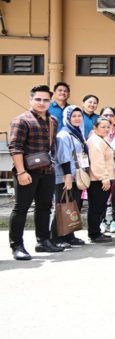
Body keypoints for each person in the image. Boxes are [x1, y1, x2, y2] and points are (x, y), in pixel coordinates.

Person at [8, 85, 63, 260]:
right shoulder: (21, 120)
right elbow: (15, 148)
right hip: (28, 172)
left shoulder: (53, 120)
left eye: (46, 99)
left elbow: (52, 146)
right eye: (38, 99)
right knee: (21, 209)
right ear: (30, 100)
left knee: (44, 208)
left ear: (50, 101)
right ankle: (17, 246)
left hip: (47, 171)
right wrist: (21, 172)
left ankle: (43, 241)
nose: (41, 103)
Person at [51, 105, 88, 248]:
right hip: (65, 176)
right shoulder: (64, 135)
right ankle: (56, 237)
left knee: (73, 206)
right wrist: (67, 176)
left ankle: (69, 235)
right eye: (74, 116)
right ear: (67, 118)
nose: (77, 118)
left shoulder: (78, 133)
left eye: (79, 116)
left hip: (76, 175)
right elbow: (63, 157)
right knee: (62, 206)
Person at [86, 118, 115, 243]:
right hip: (98, 180)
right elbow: (97, 162)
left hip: (103, 178)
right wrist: (104, 178)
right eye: (102, 127)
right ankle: (94, 233)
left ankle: (96, 231)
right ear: (95, 128)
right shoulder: (94, 141)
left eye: (108, 127)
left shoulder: (102, 139)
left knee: (99, 207)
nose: (106, 129)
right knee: (96, 207)